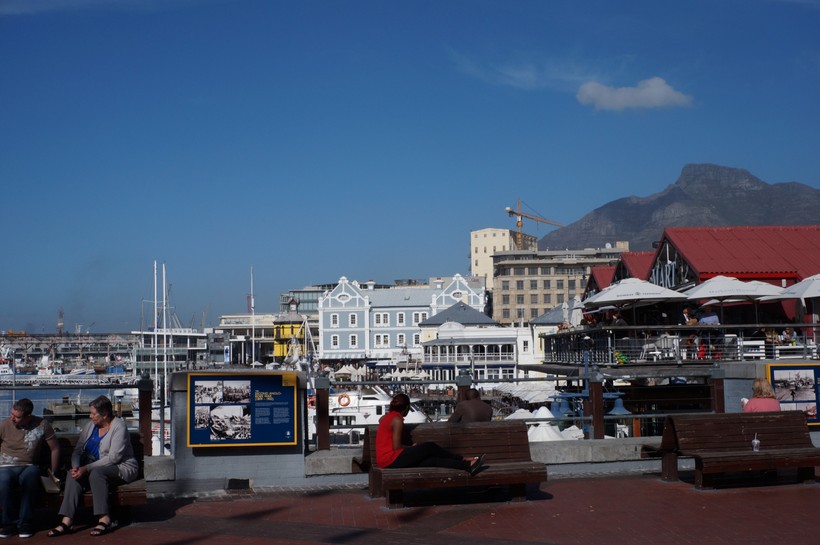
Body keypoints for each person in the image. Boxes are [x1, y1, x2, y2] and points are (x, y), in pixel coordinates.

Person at [49, 396, 138, 538]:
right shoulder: (91, 426)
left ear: (105, 415)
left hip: (120, 467)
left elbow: (114, 458)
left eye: (93, 414)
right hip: (92, 467)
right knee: (72, 475)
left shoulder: (119, 426)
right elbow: (78, 450)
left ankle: (104, 518)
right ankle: (67, 520)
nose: (90, 416)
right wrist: (77, 467)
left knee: (96, 473)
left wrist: (87, 468)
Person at [376, 394, 484, 475]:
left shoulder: (387, 417)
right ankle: (462, 459)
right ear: (407, 407)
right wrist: (411, 447)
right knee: (429, 447)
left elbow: (381, 421)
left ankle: (468, 466)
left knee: (431, 461)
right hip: (390, 459)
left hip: (385, 461)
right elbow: (396, 447)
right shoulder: (397, 420)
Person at [0, 399, 61, 539]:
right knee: (3, 481)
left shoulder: (42, 425)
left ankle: (25, 523)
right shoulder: (3, 425)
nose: (12, 418)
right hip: (5, 466)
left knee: (32, 477)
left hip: (29, 465)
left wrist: (54, 472)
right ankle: (8, 524)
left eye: (17, 417)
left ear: (28, 416)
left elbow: (55, 448)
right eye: (11, 414)